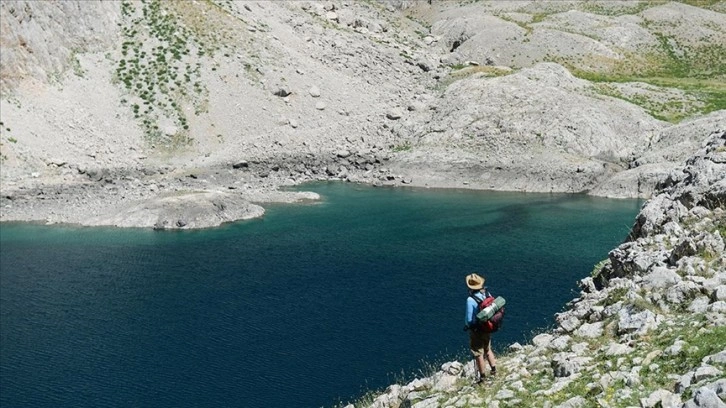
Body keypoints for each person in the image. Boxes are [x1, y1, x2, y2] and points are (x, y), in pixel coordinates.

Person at [465, 273, 497, 384]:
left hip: (476, 329)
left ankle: (482, 377)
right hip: (487, 326)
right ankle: (494, 370)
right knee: (488, 349)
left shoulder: (470, 299)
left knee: (478, 353)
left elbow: (469, 319)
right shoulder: (487, 293)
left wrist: (468, 326)